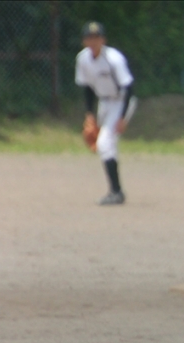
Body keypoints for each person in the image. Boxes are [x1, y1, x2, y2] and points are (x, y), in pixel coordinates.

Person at [75, 21, 134, 205]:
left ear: (103, 40)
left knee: (105, 143)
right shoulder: (82, 59)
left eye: (97, 37)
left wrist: (122, 117)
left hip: (121, 101)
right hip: (104, 102)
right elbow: (87, 87)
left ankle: (116, 192)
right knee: (105, 146)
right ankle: (116, 191)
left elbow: (128, 87)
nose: (93, 41)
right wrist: (89, 114)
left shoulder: (114, 59)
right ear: (84, 41)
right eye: (89, 38)